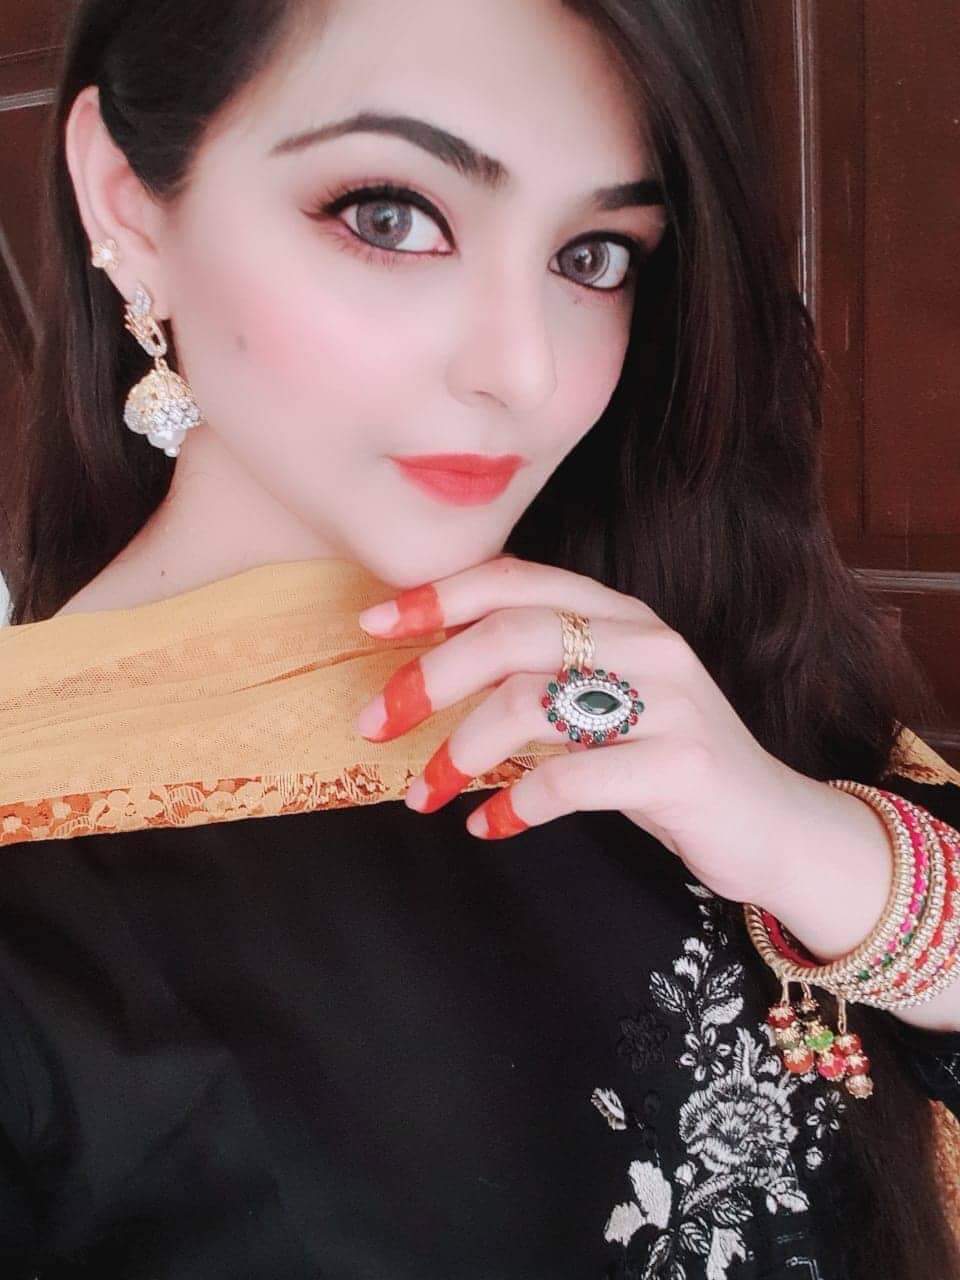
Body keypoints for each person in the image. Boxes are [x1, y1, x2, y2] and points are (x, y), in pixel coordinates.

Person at [1, 0, 959, 1276]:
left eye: (594, 255)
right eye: (391, 216)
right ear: (126, 201)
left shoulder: (680, 645)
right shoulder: (37, 880)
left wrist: (808, 842)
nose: (525, 370)